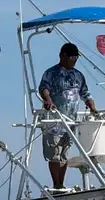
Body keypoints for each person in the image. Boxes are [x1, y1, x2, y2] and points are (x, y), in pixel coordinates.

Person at [38, 42, 97, 189]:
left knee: (64, 154)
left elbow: (85, 93)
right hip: (54, 121)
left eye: (76, 58)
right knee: (54, 154)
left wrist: (92, 107)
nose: (74, 60)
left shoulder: (78, 75)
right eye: (72, 57)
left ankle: (61, 184)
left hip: (70, 122)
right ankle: (56, 184)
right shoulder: (51, 73)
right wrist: (48, 100)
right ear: (63, 56)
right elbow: (44, 88)